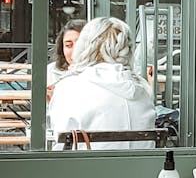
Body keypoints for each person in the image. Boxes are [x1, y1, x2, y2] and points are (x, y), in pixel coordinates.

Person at [49, 17, 155, 151]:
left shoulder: (68, 88)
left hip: (87, 170)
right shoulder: (144, 89)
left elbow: (61, 145)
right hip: (145, 170)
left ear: (85, 46)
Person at [46, 18, 86, 102]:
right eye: (68, 45)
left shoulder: (102, 74)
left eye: (80, 44)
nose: (75, 51)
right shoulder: (50, 71)